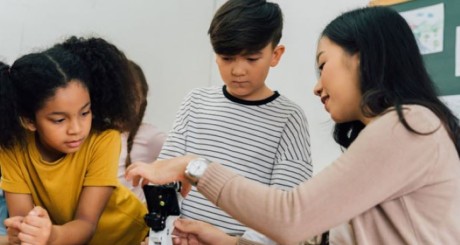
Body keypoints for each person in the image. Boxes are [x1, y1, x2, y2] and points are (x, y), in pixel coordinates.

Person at [126, 6, 460, 245]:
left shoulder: (410, 124)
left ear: (361, 57)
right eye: (227, 58)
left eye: (323, 65)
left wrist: (193, 167)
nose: (317, 86)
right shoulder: (397, 130)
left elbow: (291, 217)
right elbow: (312, 232)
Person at [157, 0, 312, 244]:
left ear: (276, 54)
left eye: (251, 59)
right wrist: (165, 233)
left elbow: (286, 208)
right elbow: (166, 176)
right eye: (227, 58)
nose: (238, 70)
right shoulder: (195, 102)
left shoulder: (289, 118)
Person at [0, 36, 148, 244]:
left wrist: (50, 235)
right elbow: (24, 224)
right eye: (59, 120)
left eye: (85, 113)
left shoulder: (104, 139)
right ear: (28, 121)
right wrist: (30, 231)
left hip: (127, 236)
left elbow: (87, 224)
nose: (77, 129)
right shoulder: (12, 146)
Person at [117, 60, 166, 203]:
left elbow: (183, 161)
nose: (123, 102)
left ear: (141, 99)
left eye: (131, 96)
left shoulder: (151, 136)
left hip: (137, 221)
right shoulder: (95, 135)